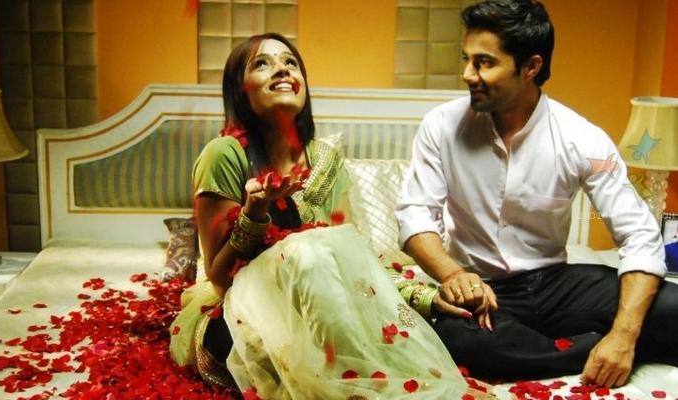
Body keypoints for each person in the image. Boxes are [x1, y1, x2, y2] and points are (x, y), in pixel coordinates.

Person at [169, 33, 494, 399]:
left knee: (324, 250)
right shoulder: (224, 155)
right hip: (243, 323)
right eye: (262, 63)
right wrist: (254, 213)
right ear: (239, 90)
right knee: (307, 250)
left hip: (323, 314)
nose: (282, 70)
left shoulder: (325, 160)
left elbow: (352, 259)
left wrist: (423, 296)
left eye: (290, 62)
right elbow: (219, 276)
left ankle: (362, 382)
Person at [395, 0, 678, 389]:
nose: (467, 74)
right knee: (454, 337)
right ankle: (587, 349)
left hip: (556, 285)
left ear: (531, 66)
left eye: (484, 63)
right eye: (467, 59)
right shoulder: (441, 126)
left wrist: (625, 334)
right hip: (482, 289)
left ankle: (594, 346)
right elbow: (415, 215)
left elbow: (639, 235)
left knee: (670, 307)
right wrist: (453, 274)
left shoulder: (582, 138)